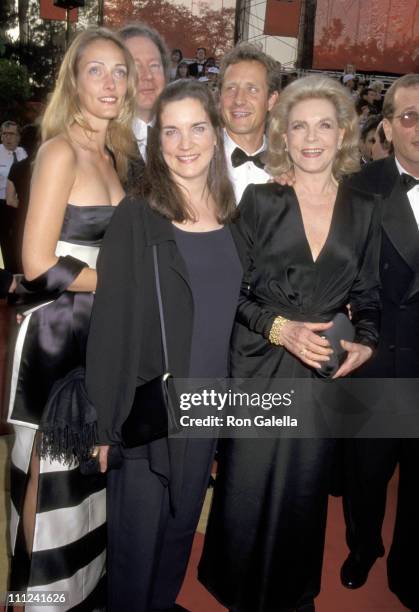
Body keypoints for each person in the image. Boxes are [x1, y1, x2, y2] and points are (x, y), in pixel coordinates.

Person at [198, 75, 381, 612]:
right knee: (247, 483)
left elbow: (368, 294)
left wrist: (366, 342)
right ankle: (237, 588)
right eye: (298, 125)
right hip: (260, 357)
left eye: (324, 124)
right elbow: (227, 292)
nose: (311, 137)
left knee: (304, 490)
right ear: (283, 133)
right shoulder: (259, 199)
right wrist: (280, 329)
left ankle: (292, 592)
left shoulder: (364, 209)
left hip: (322, 367)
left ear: (344, 132)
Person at [85, 79, 243, 612]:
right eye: (170, 131)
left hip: (210, 408)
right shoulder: (139, 215)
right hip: (151, 409)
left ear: (216, 134)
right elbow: (111, 324)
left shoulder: (232, 214)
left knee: (179, 532)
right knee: (135, 545)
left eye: (197, 127)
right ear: (156, 143)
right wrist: (106, 423)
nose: (184, 143)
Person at [6, 27, 137, 610]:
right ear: (74, 81)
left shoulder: (119, 153)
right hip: (59, 332)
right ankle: (28, 597)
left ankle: (77, 592)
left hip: (102, 330)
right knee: (47, 472)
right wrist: (120, 283)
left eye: (119, 71)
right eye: (96, 70)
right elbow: (36, 263)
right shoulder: (60, 149)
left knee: (87, 472)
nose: (109, 82)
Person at [340, 73, 419, 612]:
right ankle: (363, 546)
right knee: (368, 476)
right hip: (382, 358)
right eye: (410, 116)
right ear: (387, 128)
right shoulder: (361, 188)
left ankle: (410, 568)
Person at [219, 42, 279, 203]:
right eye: (231, 88)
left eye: (252, 89)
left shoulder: (288, 165)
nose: (239, 100)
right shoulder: (196, 158)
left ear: (271, 100)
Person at [119, 23, 169, 163]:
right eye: (135, 67)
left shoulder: (181, 135)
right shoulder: (101, 146)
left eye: (154, 66)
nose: (147, 76)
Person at [6, 124, 40, 272]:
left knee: (22, 262)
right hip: (45, 220)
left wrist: (25, 205)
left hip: (22, 222)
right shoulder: (50, 166)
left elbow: (10, 200)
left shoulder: (16, 167)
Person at [0, 121, 27, 271]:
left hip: (19, 205)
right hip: (2, 204)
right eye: (4, 134)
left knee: (19, 241)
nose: (7, 138)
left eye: (11, 134)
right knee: (5, 243)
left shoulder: (23, 153)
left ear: (19, 137)